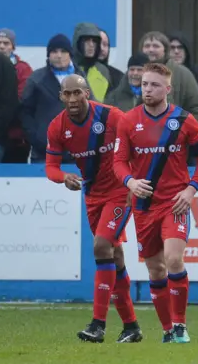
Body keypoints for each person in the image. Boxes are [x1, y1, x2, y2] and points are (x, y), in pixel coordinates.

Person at [113, 63, 198, 343]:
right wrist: (131, 183)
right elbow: (119, 161)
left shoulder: (184, 120)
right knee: (155, 269)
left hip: (175, 203)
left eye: (154, 85)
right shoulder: (129, 121)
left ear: (167, 89)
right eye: (144, 84)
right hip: (144, 206)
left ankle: (180, 326)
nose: (148, 89)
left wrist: (191, 190)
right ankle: (168, 329)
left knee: (173, 259)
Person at [44, 74, 141, 343]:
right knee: (115, 257)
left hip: (120, 192)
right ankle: (131, 327)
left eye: (78, 93)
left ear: (87, 93)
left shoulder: (112, 117)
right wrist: (64, 177)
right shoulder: (56, 127)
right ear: (61, 96)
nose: (73, 99)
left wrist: (134, 182)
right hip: (93, 195)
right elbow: (50, 167)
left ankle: (98, 325)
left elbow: (138, 147)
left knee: (100, 247)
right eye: (67, 94)